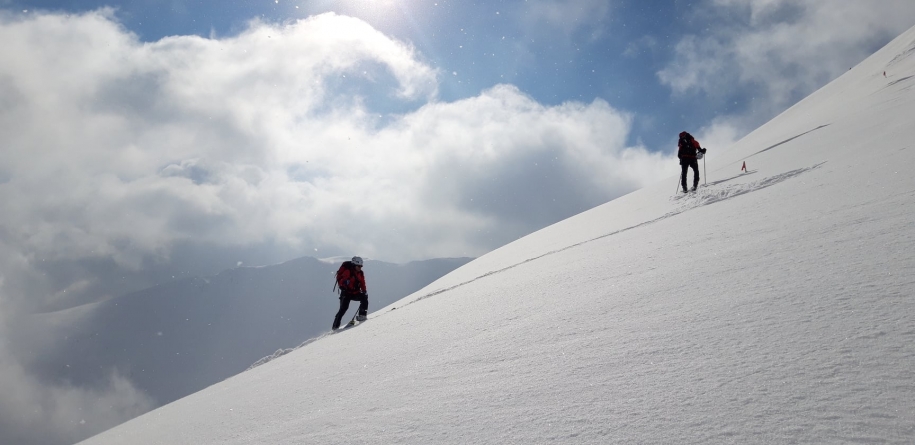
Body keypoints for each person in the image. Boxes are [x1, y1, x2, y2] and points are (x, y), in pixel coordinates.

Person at [332, 256, 368, 330]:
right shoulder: (348, 271)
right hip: (346, 293)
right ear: (354, 265)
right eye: (359, 266)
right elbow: (342, 280)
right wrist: (343, 286)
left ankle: (362, 316)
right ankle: (335, 327)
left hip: (354, 292)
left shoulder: (360, 273)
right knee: (343, 309)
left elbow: (362, 283)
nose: (360, 267)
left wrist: (364, 291)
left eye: (361, 266)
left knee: (364, 298)